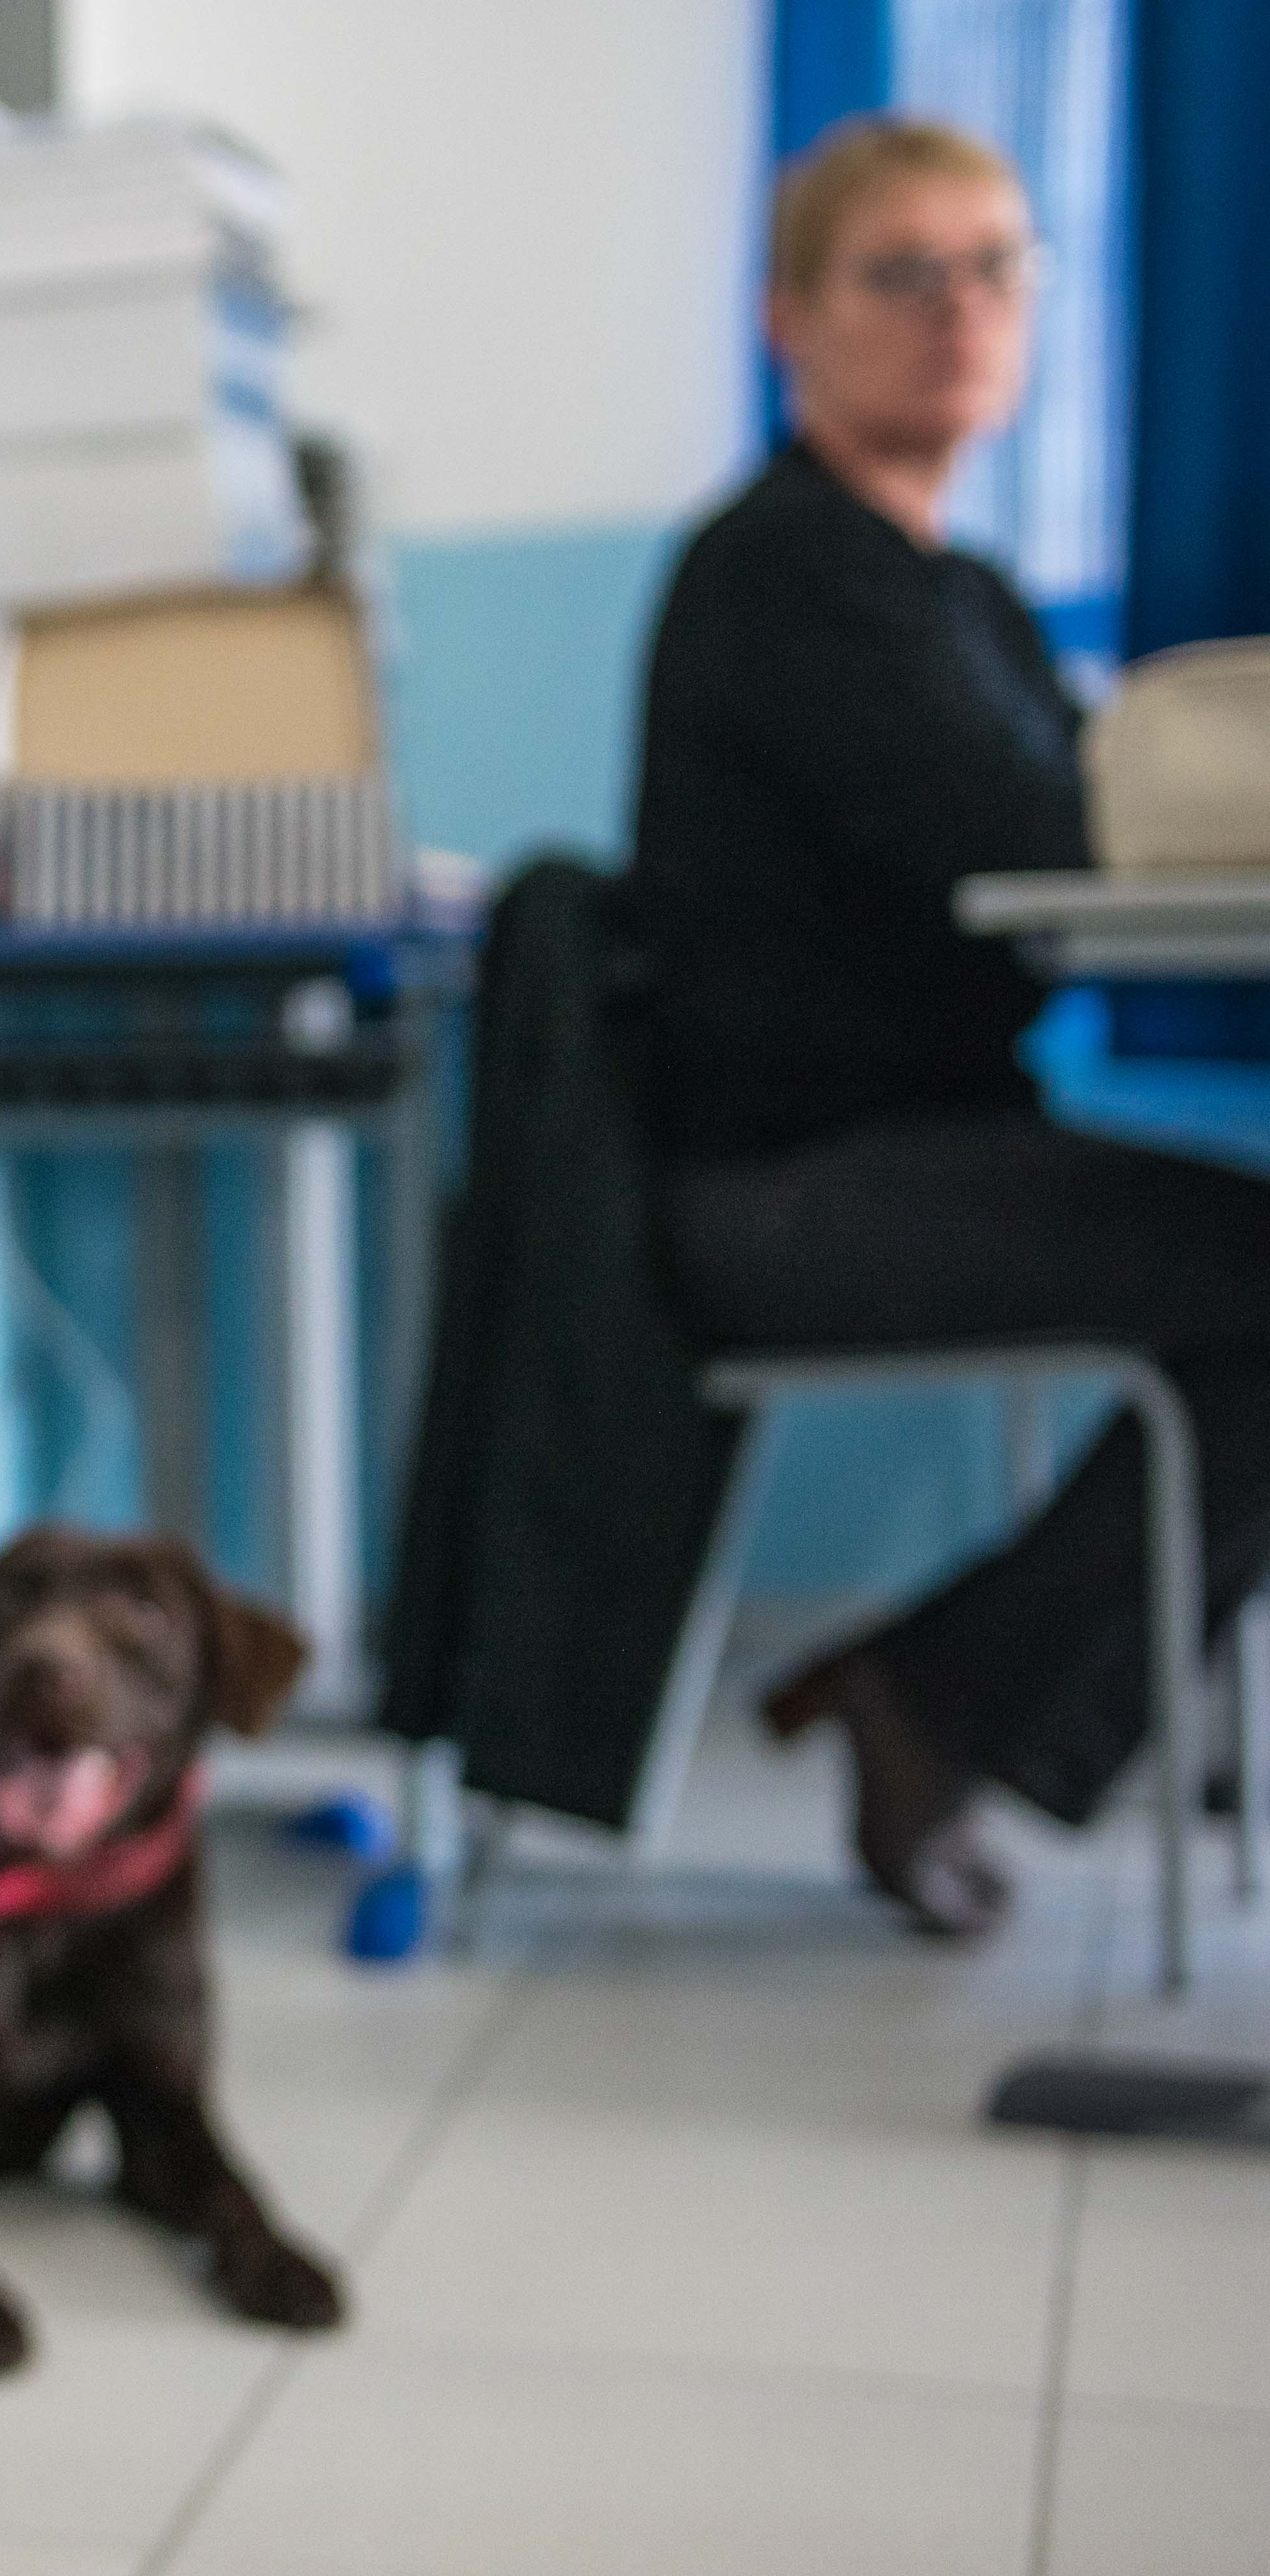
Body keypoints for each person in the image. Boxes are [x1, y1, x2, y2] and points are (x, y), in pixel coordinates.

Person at [628, 113, 1270, 1940]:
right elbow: (1048, 839)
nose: (959, 311)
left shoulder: (959, 591)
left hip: (935, 1147)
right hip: (791, 1189)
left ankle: (952, 1692)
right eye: (903, 274)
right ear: (788, 320)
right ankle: (941, 1699)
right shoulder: (787, 568)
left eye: (997, 268)